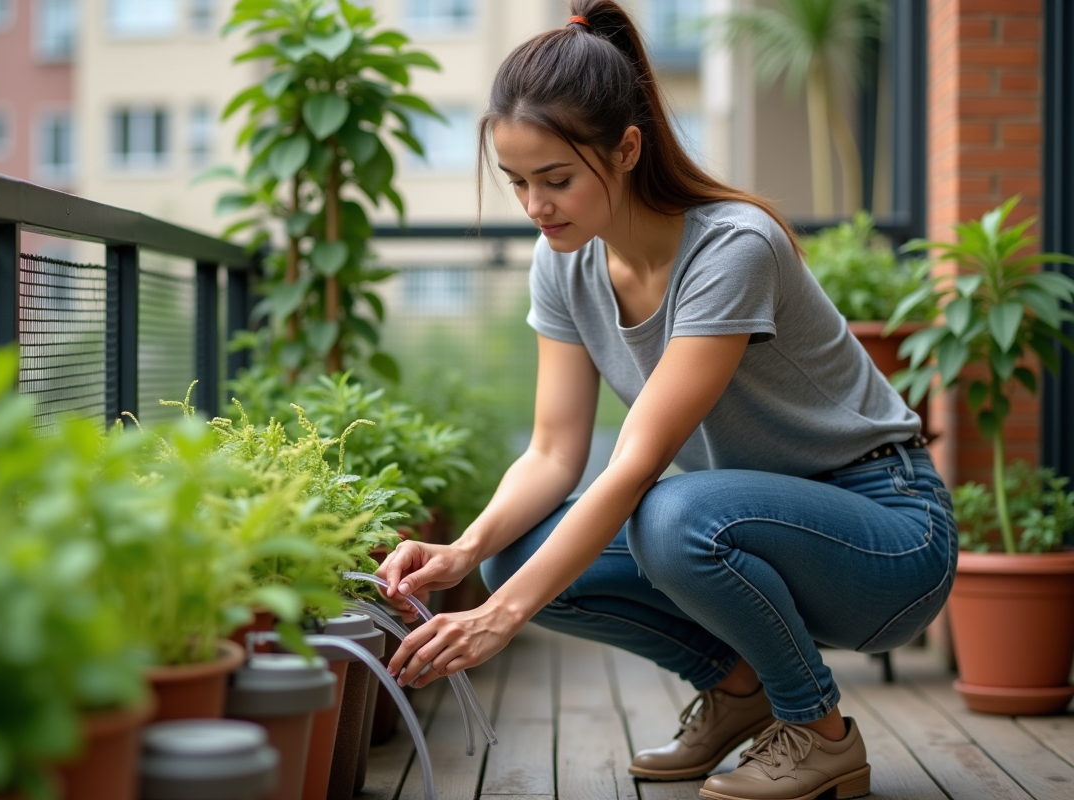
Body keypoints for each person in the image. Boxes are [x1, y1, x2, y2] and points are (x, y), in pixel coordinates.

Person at [377, 3, 956, 799]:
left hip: (889, 538)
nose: (536, 206)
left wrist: (502, 618)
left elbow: (638, 463)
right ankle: (737, 692)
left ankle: (819, 734)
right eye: (517, 183)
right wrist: (464, 557)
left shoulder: (732, 246)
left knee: (668, 513)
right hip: (755, 527)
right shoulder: (565, 266)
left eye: (557, 179)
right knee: (522, 552)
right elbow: (551, 454)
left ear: (626, 148)